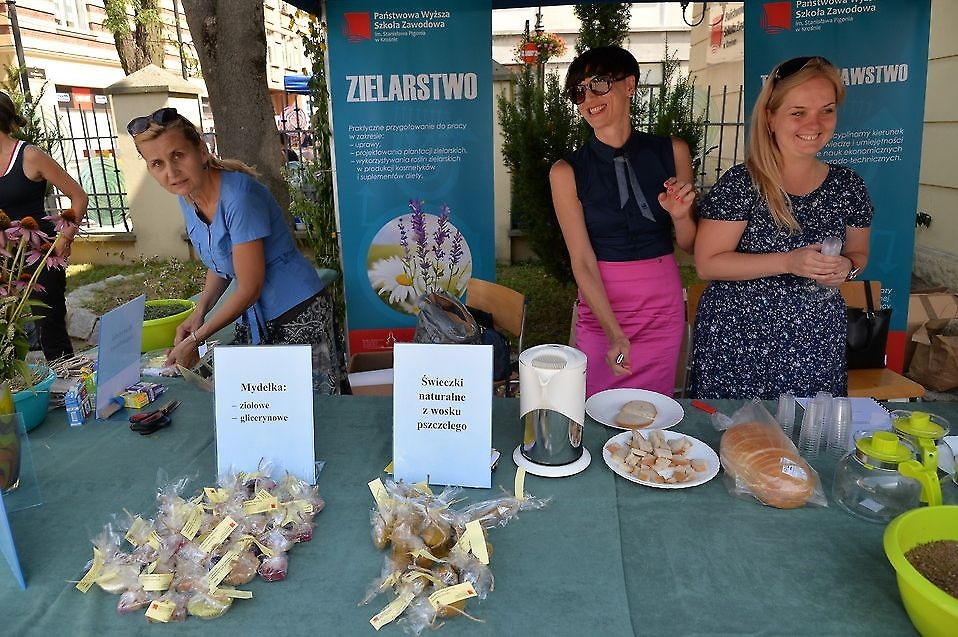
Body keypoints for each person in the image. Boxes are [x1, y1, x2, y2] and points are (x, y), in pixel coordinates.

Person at [689, 56, 873, 400]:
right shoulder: (743, 183)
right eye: (798, 112)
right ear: (770, 118)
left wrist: (847, 267)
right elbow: (708, 263)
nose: (814, 124)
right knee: (734, 431)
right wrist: (788, 262)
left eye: (827, 110)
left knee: (809, 431)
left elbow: (859, 253)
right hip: (739, 342)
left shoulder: (848, 185)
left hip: (815, 342)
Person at [129, 107, 348, 394]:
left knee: (314, 410)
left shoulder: (238, 197)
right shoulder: (188, 195)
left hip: (297, 314)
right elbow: (221, 262)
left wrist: (195, 339)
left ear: (201, 151)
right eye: (157, 163)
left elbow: (249, 288)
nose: (171, 172)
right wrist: (199, 312)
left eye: (178, 155)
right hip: (258, 319)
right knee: (263, 409)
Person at [550, 46, 697, 398]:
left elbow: (690, 244)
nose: (589, 98)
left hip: (661, 306)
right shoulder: (566, 171)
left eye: (599, 84)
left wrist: (680, 216)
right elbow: (582, 261)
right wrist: (614, 333)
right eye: (579, 92)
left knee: (654, 408)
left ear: (629, 85)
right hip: (602, 306)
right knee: (596, 406)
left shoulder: (673, 151)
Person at [0, 92, 87, 361]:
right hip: (3, 257)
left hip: (40, 253)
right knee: (6, 336)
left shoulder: (30, 156)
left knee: (50, 330)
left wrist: (65, 238)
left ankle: (67, 382)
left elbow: (79, 196)